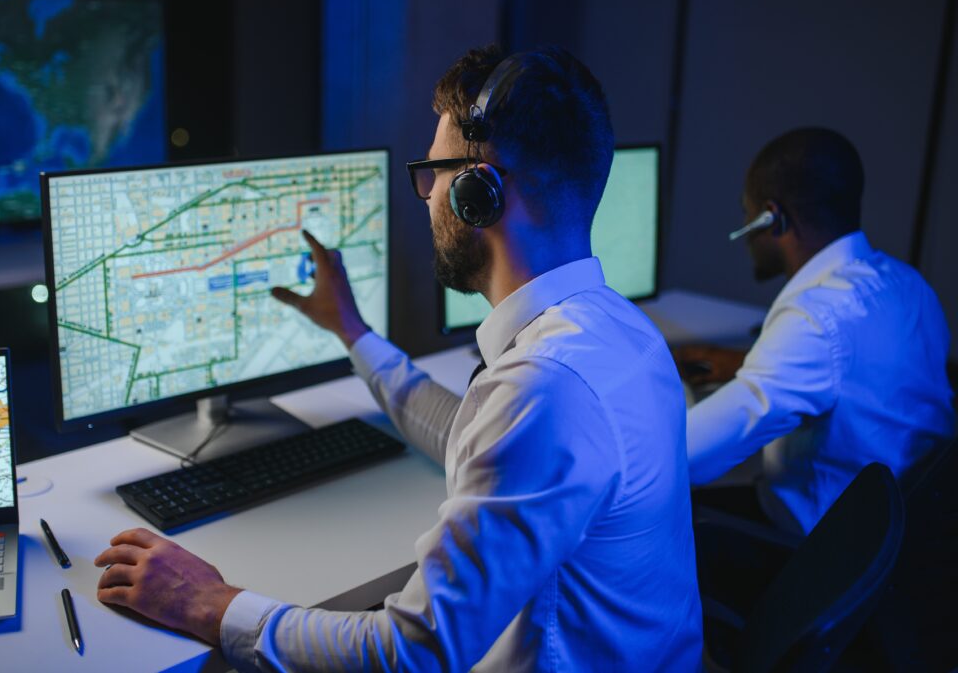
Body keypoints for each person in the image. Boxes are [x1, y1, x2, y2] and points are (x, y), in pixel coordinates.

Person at [93, 46, 702, 671]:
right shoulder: (620, 331)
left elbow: (411, 653)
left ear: (479, 191)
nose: (425, 195)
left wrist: (213, 605)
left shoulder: (544, 389)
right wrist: (352, 332)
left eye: (432, 172)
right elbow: (469, 431)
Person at [677, 127, 954, 535]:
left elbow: (686, 456)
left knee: (654, 518)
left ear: (772, 218)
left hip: (820, 555)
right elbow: (864, 375)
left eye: (745, 211)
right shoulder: (910, 286)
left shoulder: (816, 322)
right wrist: (745, 364)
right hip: (901, 536)